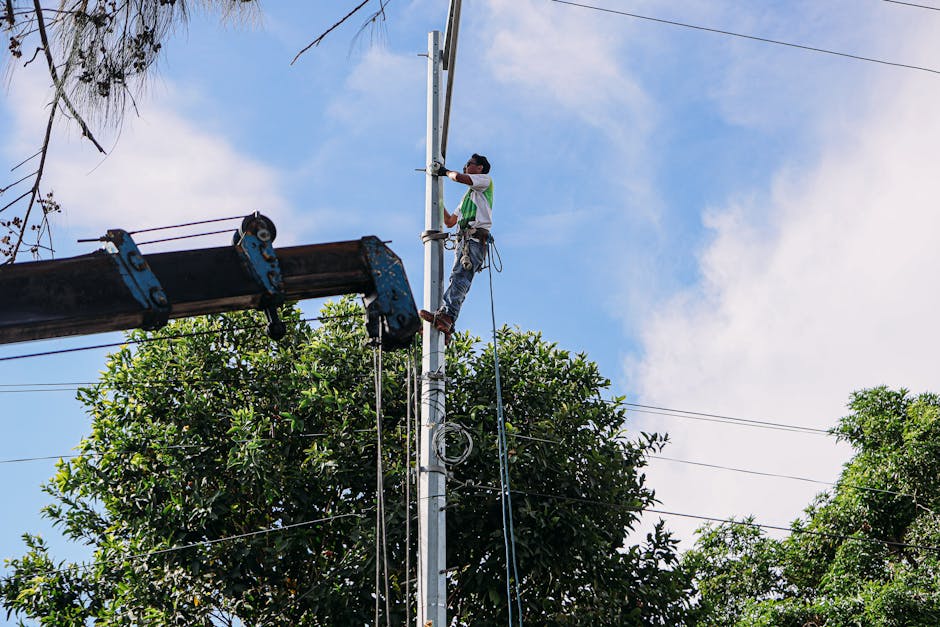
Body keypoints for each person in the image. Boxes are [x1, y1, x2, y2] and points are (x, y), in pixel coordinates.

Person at [420, 153, 493, 337]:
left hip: (474, 241)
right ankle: (446, 325)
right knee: (457, 277)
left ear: (480, 168)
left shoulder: (484, 181)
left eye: (470, 164)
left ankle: (448, 316)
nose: (466, 166)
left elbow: (460, 178)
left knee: (460, 278)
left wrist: (444, 172)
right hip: (466, 242)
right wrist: (437, 199)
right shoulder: (468, 198)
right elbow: (450, 221)